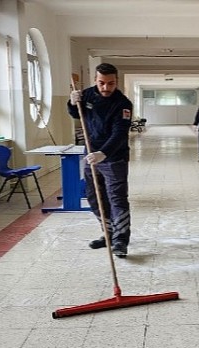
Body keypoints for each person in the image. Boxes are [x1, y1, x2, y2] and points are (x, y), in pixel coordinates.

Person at [67, 63, 133, 258]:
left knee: (117, 198)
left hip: (114, 158)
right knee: (94, 196)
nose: (106, 88)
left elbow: (119, 133)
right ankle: (108, 234)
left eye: (110, 84)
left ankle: (121, 240)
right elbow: (75, 113)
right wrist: (72, 102)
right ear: (95, 80)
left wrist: (103, 153)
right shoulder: (87, 95)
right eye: (101, 83)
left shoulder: (123, 103)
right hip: (91, 156)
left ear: (117, 82)